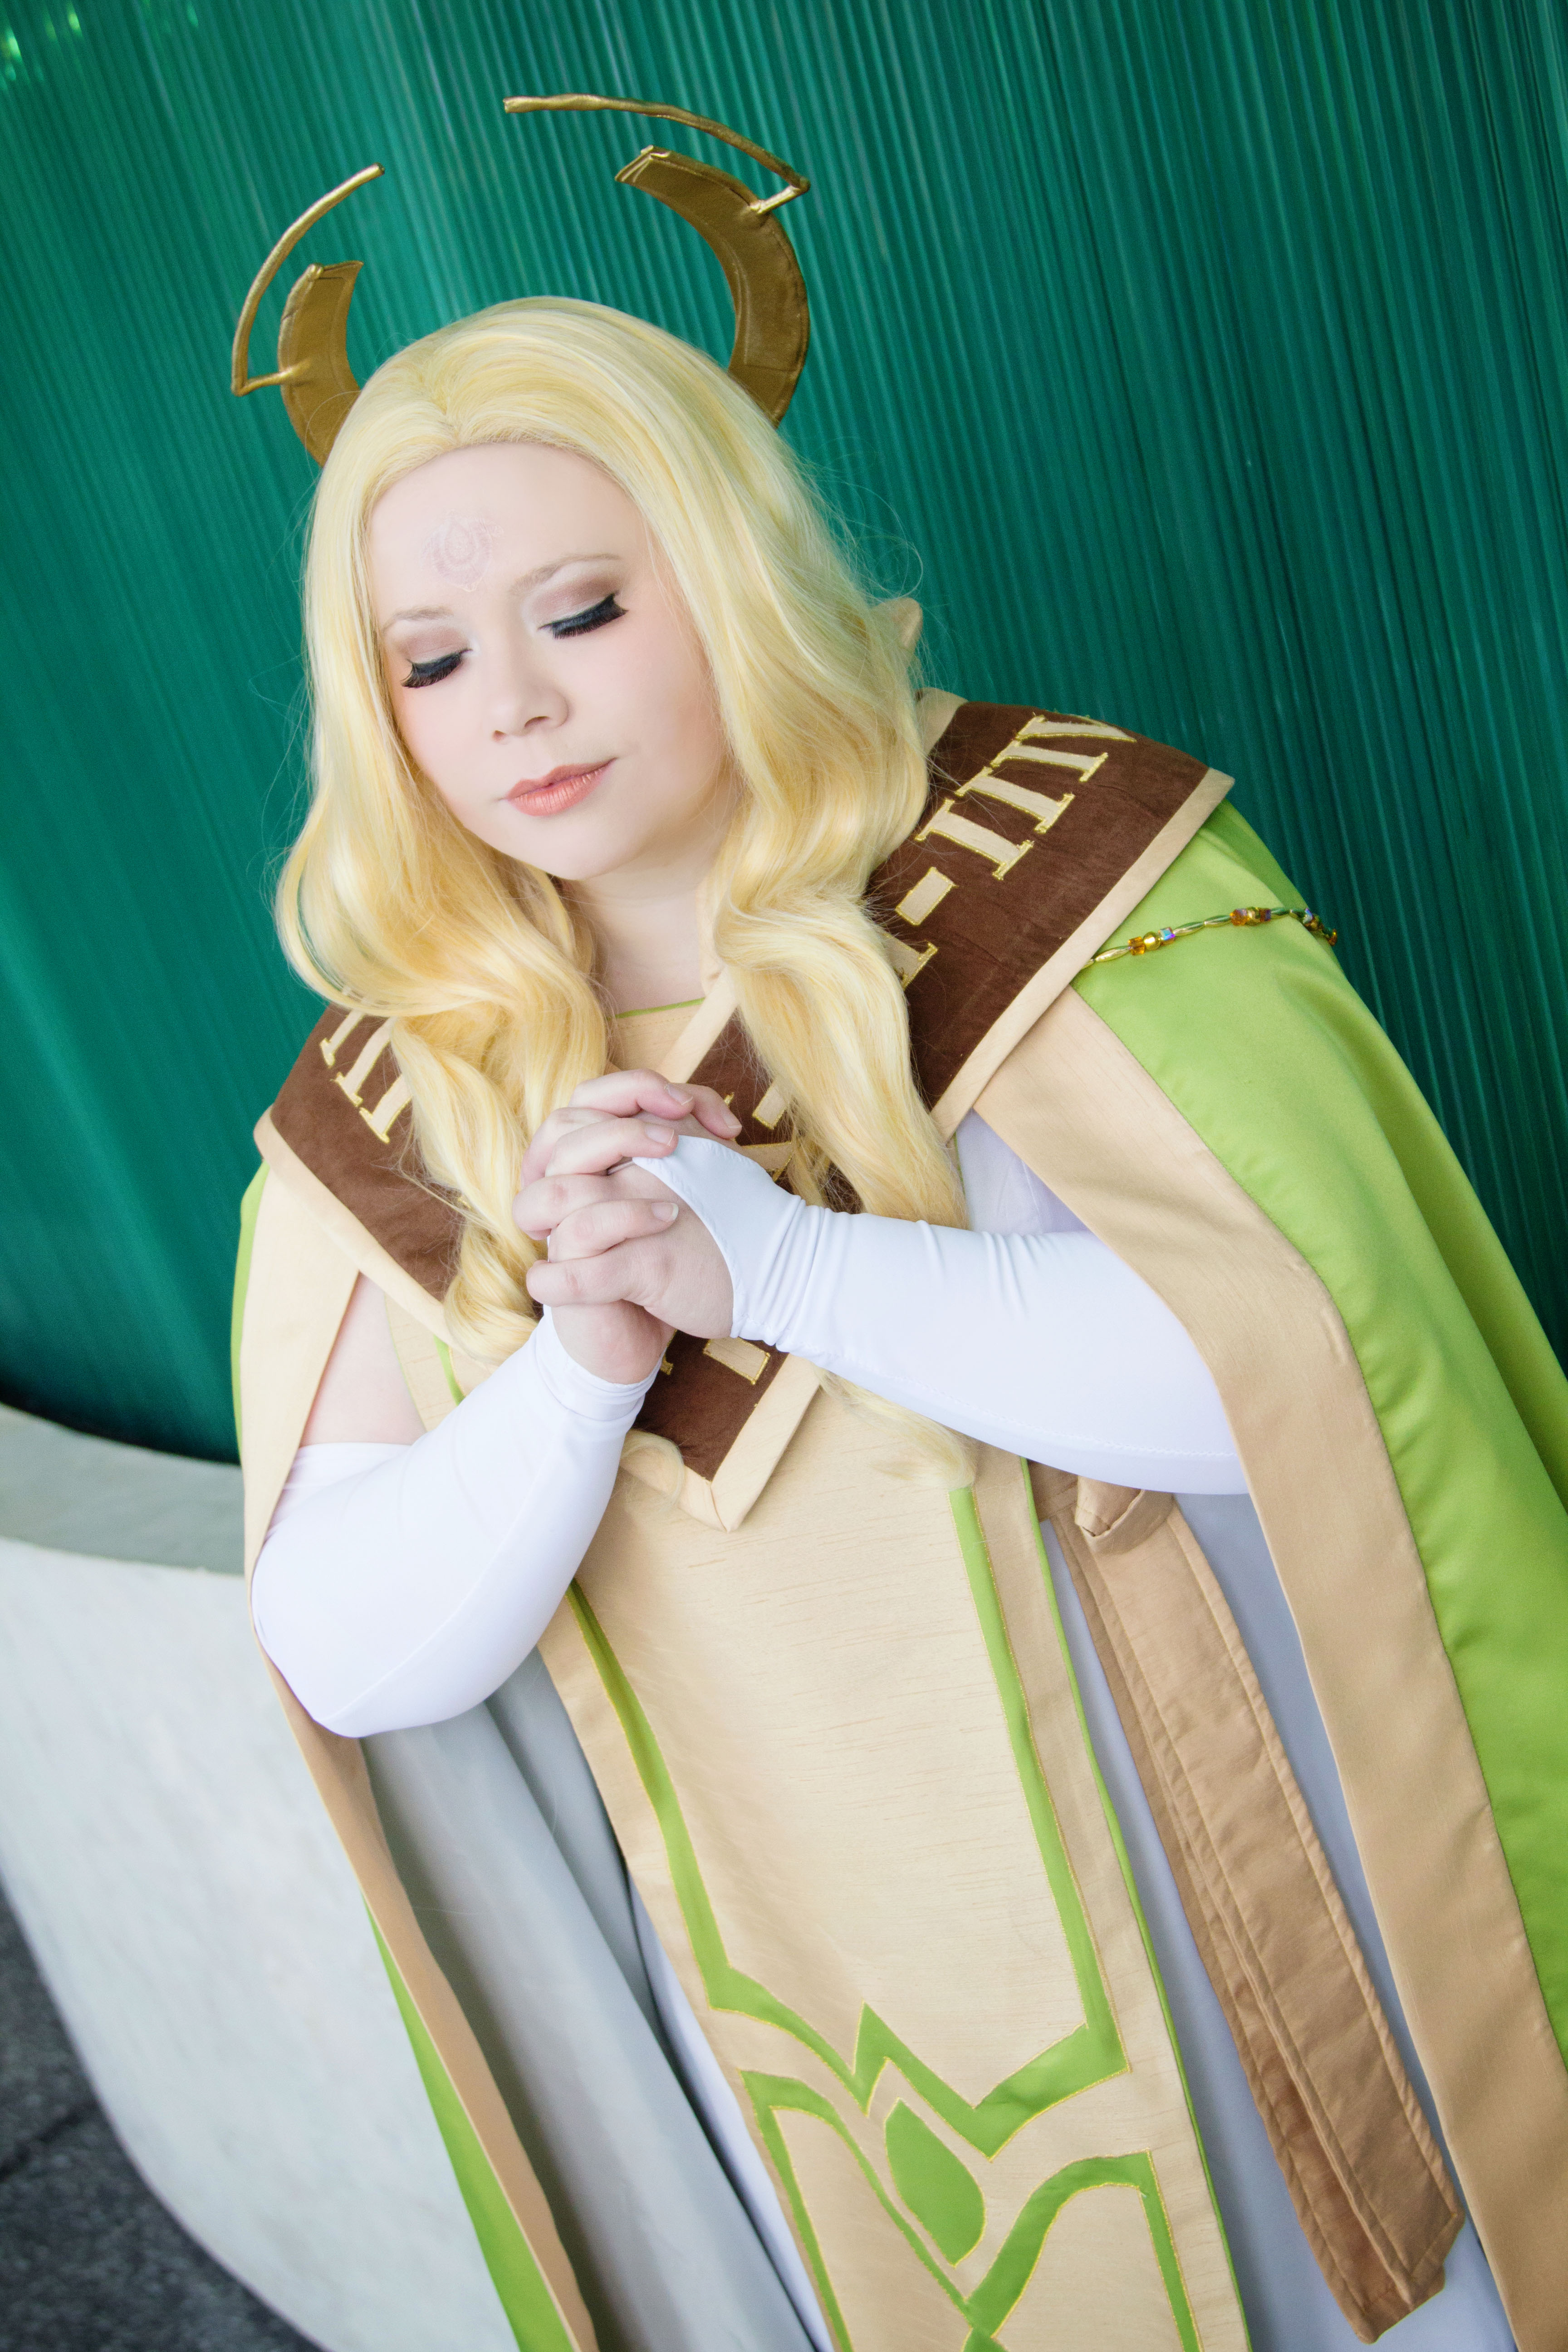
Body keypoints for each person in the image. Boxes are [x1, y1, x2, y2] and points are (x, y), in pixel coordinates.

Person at [232, 108, 1568, 2352]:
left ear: (729, 571)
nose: (517, 706)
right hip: (802, 2003)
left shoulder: (1064, 872)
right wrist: (577, 1362)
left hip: (1216, 1928)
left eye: (582, 609)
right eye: (429, 662)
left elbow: (1314, 1379)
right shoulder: (406, 1086)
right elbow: (350, 1648)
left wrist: (786, 1271)